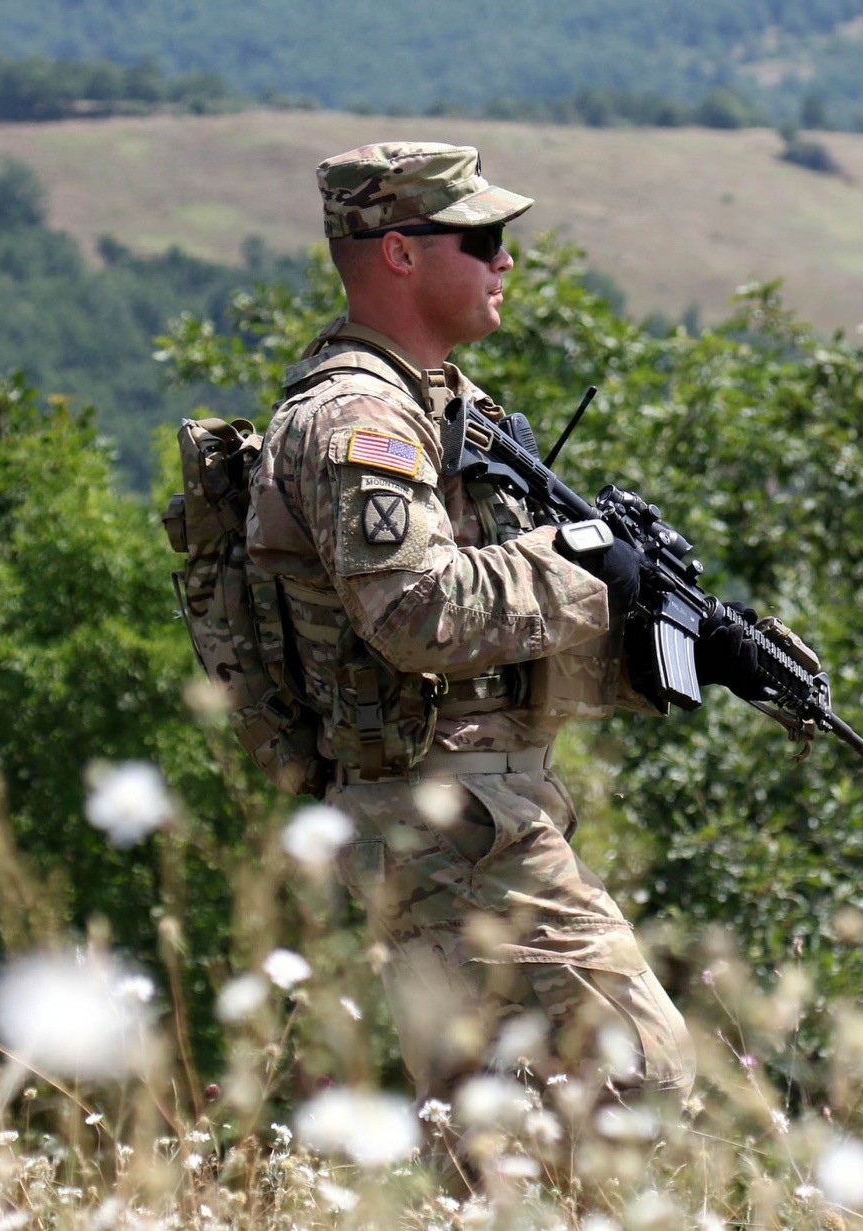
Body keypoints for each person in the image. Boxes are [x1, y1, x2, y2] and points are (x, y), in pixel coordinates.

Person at [243, 142, 695, 1102]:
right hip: (443, 816)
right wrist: (583, 567)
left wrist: (658, 643)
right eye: (481, 237)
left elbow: (496, 639)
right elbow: (417, 610)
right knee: (640, 1072)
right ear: (399, 253)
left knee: (494, 1120)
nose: (506, 260)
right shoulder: (356, 421)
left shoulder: (448, 407)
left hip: (470, 807)